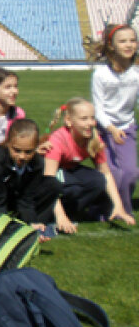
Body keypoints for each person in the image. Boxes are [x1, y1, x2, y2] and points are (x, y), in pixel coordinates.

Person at [43, 97, 135, 234]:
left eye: (92, 118)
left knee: (97, 180)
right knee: (71, 186)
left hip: (67, 172)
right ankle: (51, 214)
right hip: (42, 178)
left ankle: (70, 213)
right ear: (69, 121)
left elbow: (106, 174)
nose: (90, 123)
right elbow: (48, 180)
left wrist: (118, 206)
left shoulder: (94, 139)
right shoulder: (58, 139)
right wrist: (60, 217)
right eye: (84, 119)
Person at [90, 23, 139, 214]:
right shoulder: (101, 74)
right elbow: (98, 108)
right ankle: (109, 210)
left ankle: (121, 209)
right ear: (111, 46)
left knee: (131, 173)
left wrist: (122, 129)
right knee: (113, 174)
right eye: (123, 41)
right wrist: (111, 129)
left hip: (127, 129)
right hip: (103, 130)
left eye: (132, 40)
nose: (129, 45)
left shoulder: (136, 73)